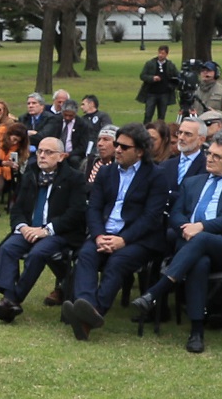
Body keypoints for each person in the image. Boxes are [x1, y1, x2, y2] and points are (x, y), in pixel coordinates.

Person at [127, 132, 222, 352]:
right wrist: (186, 228)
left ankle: (158, 291)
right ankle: (196, 331)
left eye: (217, 156)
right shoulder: (192, 182)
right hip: (191, 243)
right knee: (199, 262)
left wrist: (202, 227)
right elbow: (175, 214)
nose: (209, 158)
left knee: (203, 239)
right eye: (209, 153)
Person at [63, 123, 168, 340]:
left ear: (140, 151)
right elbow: (93, 207)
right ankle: (87, 308)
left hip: (137, 239)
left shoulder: (156, 176)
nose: (117, 149)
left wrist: (123, 240)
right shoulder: (106, 172)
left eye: (124, 147)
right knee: (87, 255)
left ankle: (94, 313)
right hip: (104, 233)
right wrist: (99, 235)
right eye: (117, 144)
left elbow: (151, 217)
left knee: (117, 263)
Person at [0, 136, 86, 322]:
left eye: (49, 152)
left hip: (59, 233)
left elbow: (76, 213)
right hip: (29, 229)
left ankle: (12, 300)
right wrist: (23, 228)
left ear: (62, 156)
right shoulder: (30, 174)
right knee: (7, 248)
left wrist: (47, 230)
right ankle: (8, 298)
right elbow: (17, 209)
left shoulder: (74, 178)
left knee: (38, 253)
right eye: (39, 151)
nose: (42, 156)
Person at [138, 45, 180, 121]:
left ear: (167, 54)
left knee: (161, 116)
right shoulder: (150, 63)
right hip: (151, 93)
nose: (160, 55)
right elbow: (142, 75)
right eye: (159, 53)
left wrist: (171, 86)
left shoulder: (170, 65)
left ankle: (160, 130)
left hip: (164, 94)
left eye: (163, 53)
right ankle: (146, 129)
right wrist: (152, 78)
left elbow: (177, 77)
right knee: (148, 114)